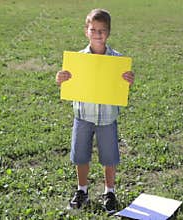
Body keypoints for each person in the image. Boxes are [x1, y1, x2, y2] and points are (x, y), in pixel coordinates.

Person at [56, 8, 135, 214]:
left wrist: (128, 80)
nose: (97, 34)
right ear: (86, 31)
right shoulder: (77, 60)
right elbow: (67, 82)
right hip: (83, 116)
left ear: (108, 32)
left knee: (109, 157)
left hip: (107, 118)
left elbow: (121, 85)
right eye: (93, 29)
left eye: (102, 30)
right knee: (81, 155)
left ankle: (110, 192)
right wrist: (60, 79)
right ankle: (82, 190)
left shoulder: (117, 61)